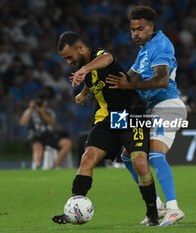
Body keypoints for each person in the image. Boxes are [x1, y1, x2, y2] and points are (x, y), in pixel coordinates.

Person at [52, 31, 159, 226]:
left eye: (69, 57)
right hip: (110, 118)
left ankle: (153, 212)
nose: (68, 62)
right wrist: (83, 94)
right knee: (87, 159)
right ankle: (73, 211)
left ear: (81, 48)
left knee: (140, 163)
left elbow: (107, 58)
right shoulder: (87, 70)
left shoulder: (100, 56)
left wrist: (84, 70)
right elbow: (93, 80)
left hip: (132, 114)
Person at [105, 6, 186, 226]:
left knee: (155, 155)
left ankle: (173, 208)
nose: (135, 34)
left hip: (168, 106)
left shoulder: (161, 46)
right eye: (132, 29)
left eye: (140, 29)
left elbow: (161, 80)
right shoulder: (144, 51)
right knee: (126, 156)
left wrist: (129, 85)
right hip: (151, 110)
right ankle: (157, 204)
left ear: (151, 27)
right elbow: (125, 78)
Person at [19, 93, 73, 169]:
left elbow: (52, 123)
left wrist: (42, 112)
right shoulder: (29, 111)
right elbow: (22, 123)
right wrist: (31, 109)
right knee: (38, 147)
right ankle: (37, 166)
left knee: (67, 143)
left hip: (49, 135)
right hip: (35, 136)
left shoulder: (49, 112)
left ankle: (54, 167)